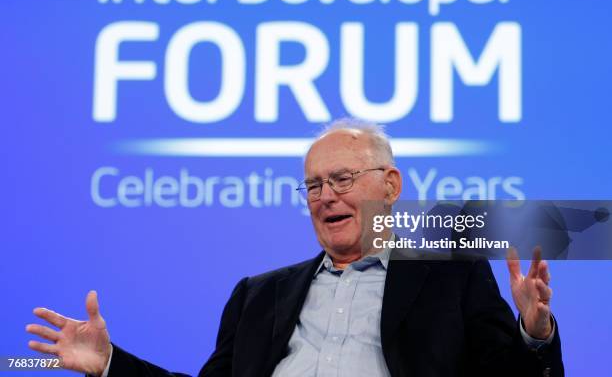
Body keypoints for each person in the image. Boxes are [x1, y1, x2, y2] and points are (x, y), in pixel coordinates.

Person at [27, 119, 563, 376]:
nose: (325, 197)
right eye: (313, 186)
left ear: (391, 186)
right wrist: (110, 363)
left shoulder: (452, 277)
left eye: (343, 179)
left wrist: (535, 336)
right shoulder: (258, 295)